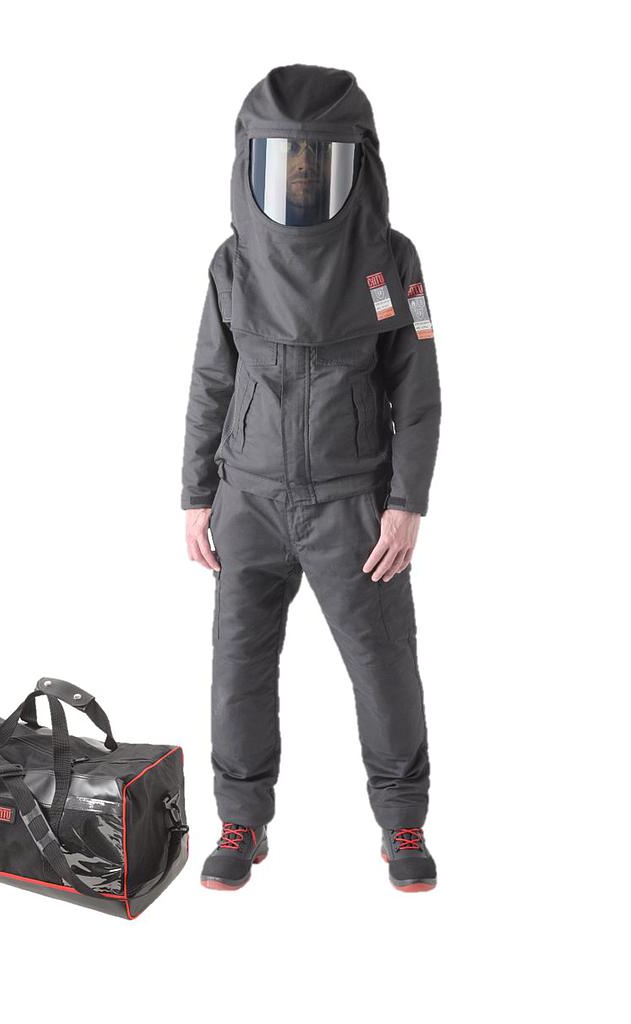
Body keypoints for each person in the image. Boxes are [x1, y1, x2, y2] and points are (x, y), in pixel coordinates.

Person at [181, 65, 442, 893]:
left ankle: (402, 822)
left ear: (356, 162)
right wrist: (195, 495)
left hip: (352, 504)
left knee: (383, 665)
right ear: (250, 161)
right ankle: (241, 821)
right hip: (248, 498)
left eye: (317, 160)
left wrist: (406, 503)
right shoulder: (232, 263)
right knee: (238, 668)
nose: (300, 179)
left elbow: (418, 390)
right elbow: (211, 379)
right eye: (283, 160)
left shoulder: (390, 261)